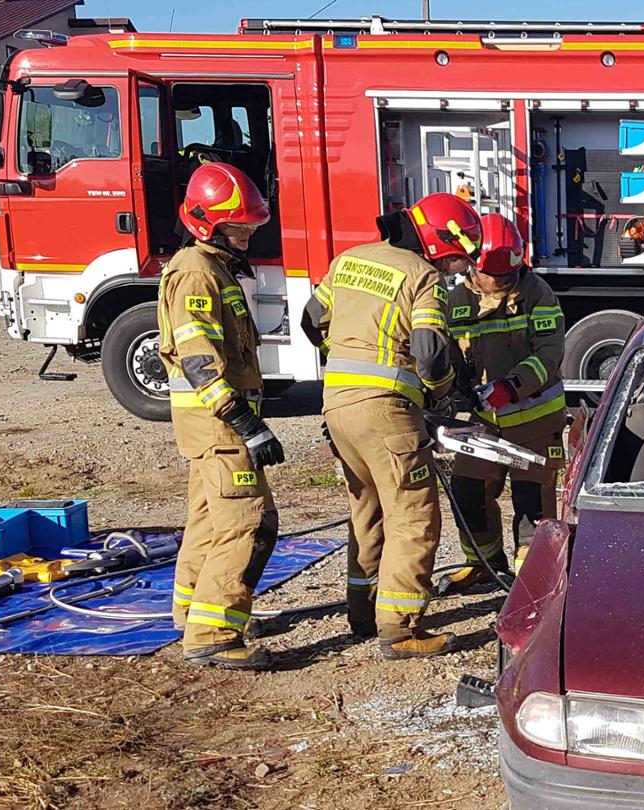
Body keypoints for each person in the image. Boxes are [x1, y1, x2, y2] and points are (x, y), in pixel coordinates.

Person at [301, 193, 481, 659]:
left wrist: (345, 364)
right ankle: (400, 629)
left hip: (336, 405)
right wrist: (442, 393)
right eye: (458, 260)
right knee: (413, 515)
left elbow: (309, 319)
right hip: (385, 410)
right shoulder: (422, 278)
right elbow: (430, 352)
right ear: (443, 242)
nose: (456, 271)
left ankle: (362, 611)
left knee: (368, 510)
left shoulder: (349, 260)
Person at [158, 163, 284, 670]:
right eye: (240, 227)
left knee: (210, 521)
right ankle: (213, 632)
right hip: (220, 424)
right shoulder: (196, 271)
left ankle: (192, 612)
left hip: (214, 427)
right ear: (207, 222)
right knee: (249, 523)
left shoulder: (213, 266)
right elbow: (198, 358)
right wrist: (245, 423)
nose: (249, 235)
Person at [437, 213, 566, 593]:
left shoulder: (537, 292)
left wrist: (512, 386)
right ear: (473, 266)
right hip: (482, 423)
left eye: (509, 275)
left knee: (532, 502)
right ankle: (482, 564)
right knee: (469, 491)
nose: (503, 283)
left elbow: (549, 353)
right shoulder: (456, 300)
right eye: (495, 276)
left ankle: (532, 576)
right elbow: (448, 355)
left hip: (535, 419)